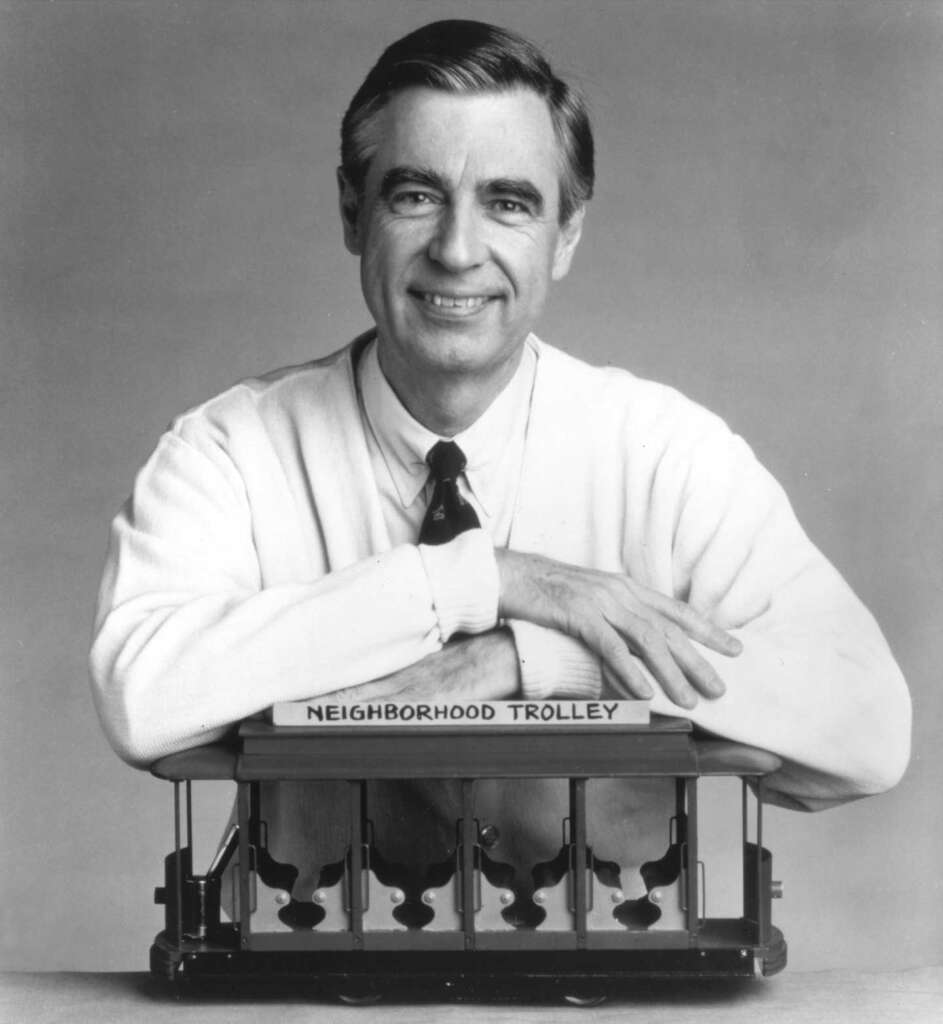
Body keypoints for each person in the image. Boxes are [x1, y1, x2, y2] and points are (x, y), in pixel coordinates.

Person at [90, 20, 910, 912]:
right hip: (311, 986)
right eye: (414, 195)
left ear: (564, 235)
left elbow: (867, 728)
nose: (456, 249)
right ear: (350, 212)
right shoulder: (229, 452)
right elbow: (142, 698)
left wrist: (543, 656)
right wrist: (479, 580)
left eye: (509, 203)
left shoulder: (665, 451)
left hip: (616, 990)